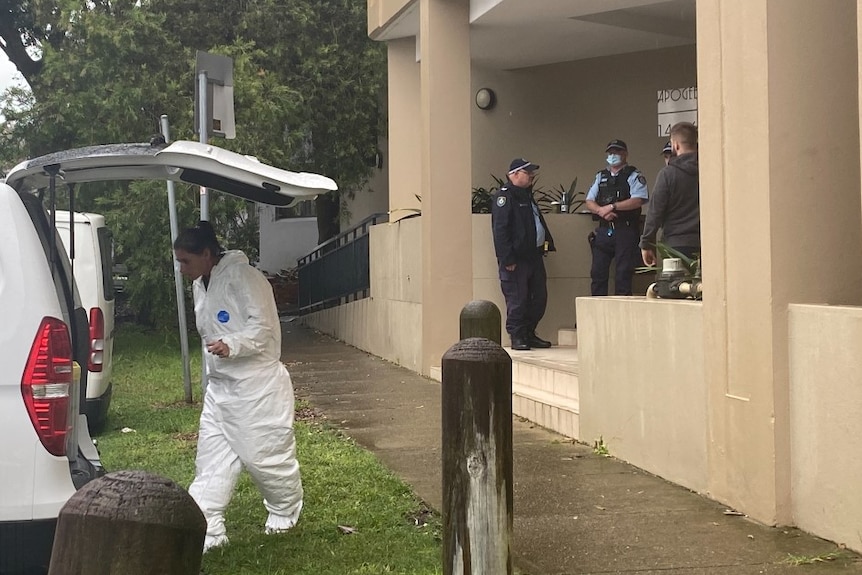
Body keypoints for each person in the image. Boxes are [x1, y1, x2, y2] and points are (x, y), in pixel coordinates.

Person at [173, 221, 303, 553]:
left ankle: (284, 512)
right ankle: (208, 529)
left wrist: (233, 344)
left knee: (266, 459)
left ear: (206, 253)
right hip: (221, 390)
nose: (181, 268)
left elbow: (265, 328)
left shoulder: (247, 279)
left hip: (256, 389)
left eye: (186, 260)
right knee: (211, 459)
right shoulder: (201, 284)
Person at [491, 158, 556, 351]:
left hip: (533, 256)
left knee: (539, 297)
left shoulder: (527, 196)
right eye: (528, 173)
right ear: (514, 175)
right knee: (517, 299)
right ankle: (517, 335)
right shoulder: (505, 197)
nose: (532, 177)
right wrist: (507, 259)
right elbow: (500, 230)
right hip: (516, 260)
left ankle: (529, 332)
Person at [584, 139, 649, 296]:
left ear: (625, 154)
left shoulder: (633, 175)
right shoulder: (601, 176)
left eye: (617, 152)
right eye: (611, 153)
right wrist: (600, 211)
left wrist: (613, 207)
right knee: (598, 273)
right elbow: (589, 201)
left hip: (625, 230)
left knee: (623, 275)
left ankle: (622, 316)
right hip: (604, 230)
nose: (613, 155)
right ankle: (597, 314)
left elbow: (639, 199)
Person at [640, 122, 700, 266]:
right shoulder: (710, 171)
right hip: (706, 243)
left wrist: (646, 243)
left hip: (675, 245)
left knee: (675, 287)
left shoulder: (668, 174)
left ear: (676, 145)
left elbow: (655, 211)